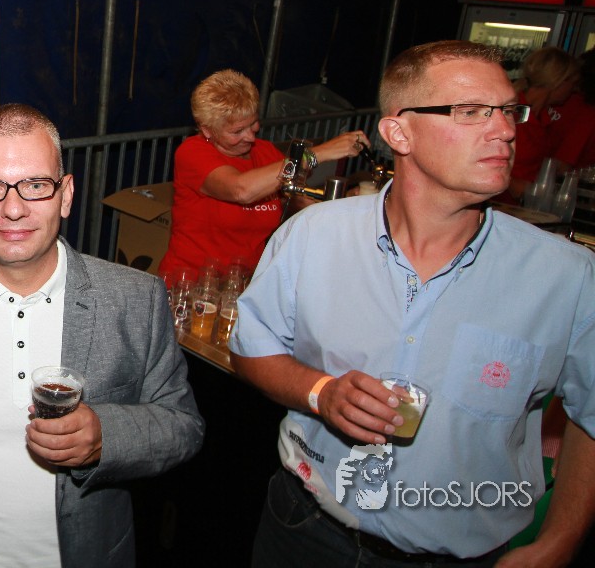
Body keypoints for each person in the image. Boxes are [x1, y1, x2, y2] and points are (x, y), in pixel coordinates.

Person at [230, 40, 595, 566]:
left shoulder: (566, 276)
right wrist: (321, 392)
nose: (505, 129)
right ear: (399, 133)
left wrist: (561, 541)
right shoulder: (314, 236)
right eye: (471, 112)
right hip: (303, 528)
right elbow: (251, 349)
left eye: (508, 111)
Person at [0, 103, 204, 567]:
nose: (13, 208)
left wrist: (106, 435)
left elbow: (183, 425)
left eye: (36, 185)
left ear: (66, 194)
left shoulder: (134, 299)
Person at [159, 69, 369, 278]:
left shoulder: (266, 152)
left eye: (253, 124)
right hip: (191, 283)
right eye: (237, 131)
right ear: (207, 130)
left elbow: (292, 202)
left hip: (244, 282)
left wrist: (347, 201)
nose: (250, 137)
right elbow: (241, 190)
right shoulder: (192, 152)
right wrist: (316, 154)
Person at [506, 46, 581, 201]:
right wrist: (511, 183)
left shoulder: (543, 117)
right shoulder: (512, 112)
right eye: (572, 83)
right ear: (558, 82)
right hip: (501, 204)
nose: (573, 90)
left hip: (525, 204)